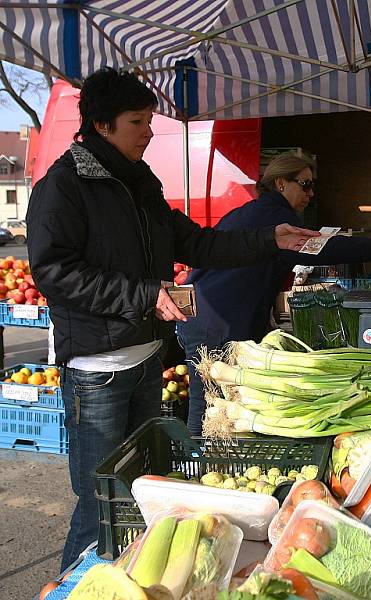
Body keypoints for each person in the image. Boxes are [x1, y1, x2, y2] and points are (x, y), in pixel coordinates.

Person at [25, 67, 318, 570]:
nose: (149, 131)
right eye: (137, 122)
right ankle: (70, 585)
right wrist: (143, 292)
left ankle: (122, 579)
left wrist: (270, 238)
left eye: (149, 119)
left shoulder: (139, 184)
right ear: (102, 125)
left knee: (143, 495)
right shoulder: (64, 187)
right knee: (102, 500)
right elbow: (55, 273)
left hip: (145, 359)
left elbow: (198, 241)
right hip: (98, 371)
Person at [177, 153, 371, 435]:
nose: (310, 194)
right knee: (209, 406)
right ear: (281, 183)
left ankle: (205, 457)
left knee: (219, 403)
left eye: (313, 187)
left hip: (210, 317)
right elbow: (322, 248)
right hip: (214, 322)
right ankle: (197, 461)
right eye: (305, 184)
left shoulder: (257, 211)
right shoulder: (274, 218)